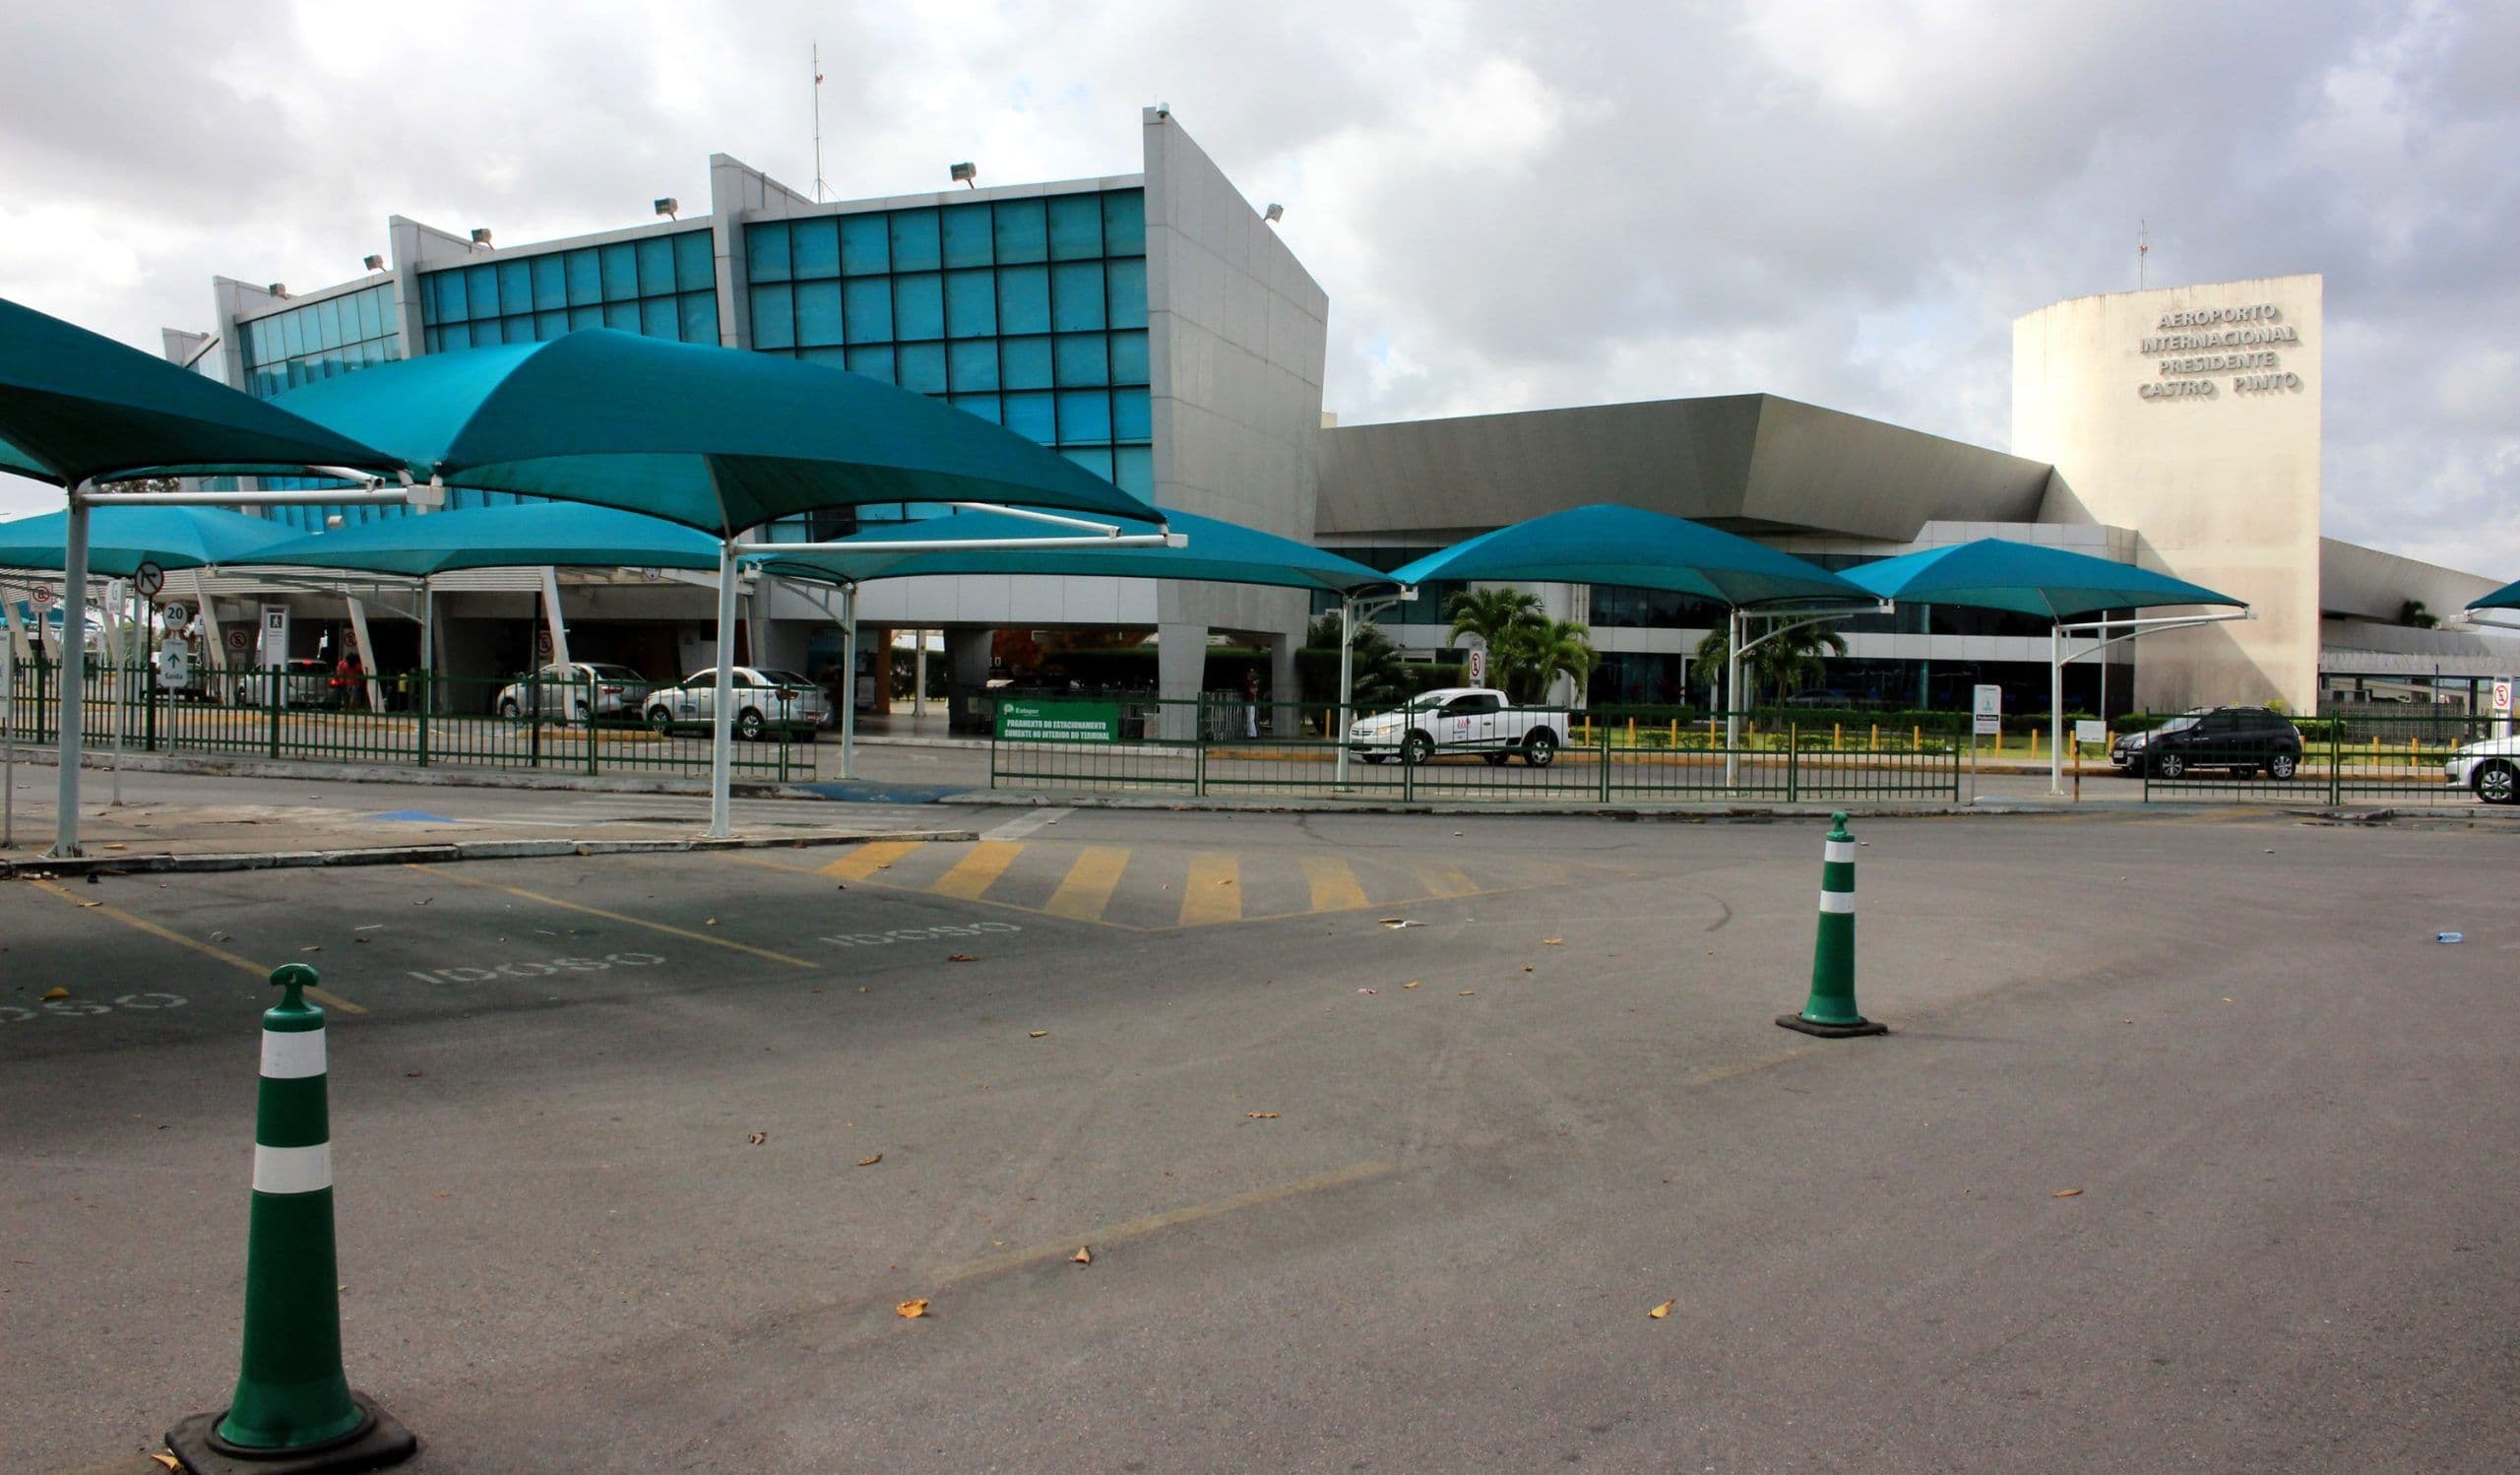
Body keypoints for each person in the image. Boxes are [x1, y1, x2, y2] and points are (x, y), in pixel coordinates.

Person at [1243, 666, 1262, 739]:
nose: (1252, 674)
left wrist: (1254, 689)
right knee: (1250, 718)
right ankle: (1251, 734)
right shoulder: (1248, 682)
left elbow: (1254, 689)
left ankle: (1253, 734)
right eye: (1250, 672)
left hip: (1252, 701)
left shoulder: (1252, 682)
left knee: (1251, 718)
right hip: (1249, 701)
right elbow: (1252, 690)